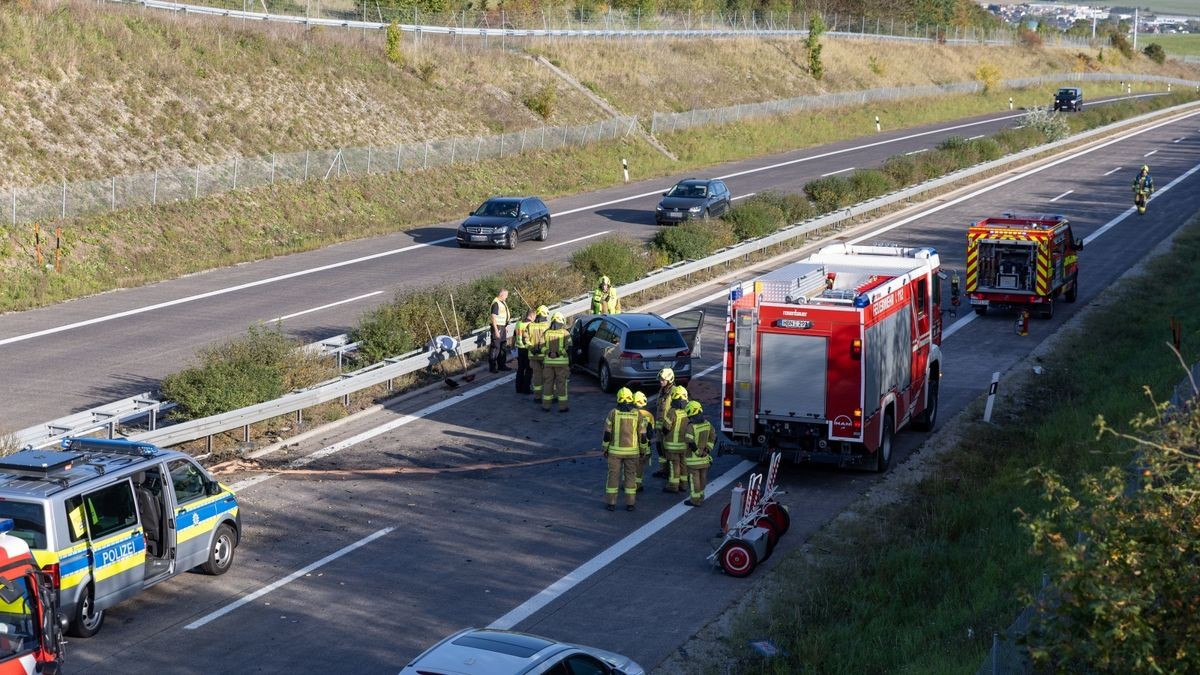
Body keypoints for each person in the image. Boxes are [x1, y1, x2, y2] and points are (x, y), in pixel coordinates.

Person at [603, 387, 647, 511]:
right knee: (630, 477)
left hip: (615, 453)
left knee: (613, 476)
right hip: (632, 453)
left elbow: (607, 434)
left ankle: (611, 503)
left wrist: (605, 448)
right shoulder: (637, 414)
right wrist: (643, 450)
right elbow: (643, 436)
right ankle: (630, 504)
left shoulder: (613, 413)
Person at [682, 401, 715, 507]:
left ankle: (695, 500)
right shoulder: (707, 424)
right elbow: (713, 437)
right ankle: (701, 496)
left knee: (694, 480)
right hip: (705, 459)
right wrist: (708, 450)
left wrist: (697, 452)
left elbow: (690, 442)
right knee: (703, 478)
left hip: (693, 460)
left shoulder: (691, 427)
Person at [661, 385, 691, 493]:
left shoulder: (672, 412)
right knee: (683, 464)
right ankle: (684, 485)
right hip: (684, 445)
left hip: (672, 446)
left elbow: (666, 427)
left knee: (674, 465)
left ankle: (673, 486)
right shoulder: (689, 411)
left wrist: (664, 434)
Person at [542, 312, 572, 412]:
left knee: (548, 383)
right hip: (561, 363)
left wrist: (549, 353)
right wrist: (559, 353)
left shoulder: (546, 333)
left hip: (548, 362)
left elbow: (541, 346)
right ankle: (562, 407)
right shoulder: (565, 333)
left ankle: (546, 406)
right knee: (561, 384)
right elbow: (569, 347)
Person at [652, 367, 679, 479]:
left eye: (663, 380)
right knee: (660, 448)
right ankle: (663, 470)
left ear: (670, 380)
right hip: (660, 428)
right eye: (660, 379)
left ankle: (671, 472)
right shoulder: (662, 391)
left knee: (669, 451)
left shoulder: (675, 391)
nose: (661, 381)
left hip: (669, 428)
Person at [632, 391, 655, 493]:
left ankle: (627, 484)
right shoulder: (649, 415)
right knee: (640, 466)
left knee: (629, 466)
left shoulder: (631, 413)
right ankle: (638, 484)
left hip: (632, 445)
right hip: (645, 446)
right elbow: (651, 432)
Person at [527, 305, 551, 403]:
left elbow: (526, 340)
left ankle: (537, 397)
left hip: (533, 356)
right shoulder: (548, 326)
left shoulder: (530, 326)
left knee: (536, 377)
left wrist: (532, 348)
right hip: (545, 356)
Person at [489, 289, 511, 373]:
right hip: (497, 327)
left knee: (503, 346)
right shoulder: (496, 303)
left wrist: (505, 326)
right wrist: (496, 330)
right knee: (495, 347)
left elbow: (503, 315)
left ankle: (502, 365)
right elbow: (493, 318)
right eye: (506, 295)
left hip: (502, 327)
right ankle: (492, 367)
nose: (507, 297)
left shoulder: (502, 302)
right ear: (501, 295)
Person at [513, 308, 535, 394]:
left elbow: (514, 336)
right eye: (535, 316)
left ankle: (518, 388)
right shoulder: (530, 325)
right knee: (529, 370)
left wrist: (512, 346)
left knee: (520, 369)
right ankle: (526, 389)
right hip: (527, 349)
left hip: (519, 349)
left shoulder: (518, 323)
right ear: (532, 315)